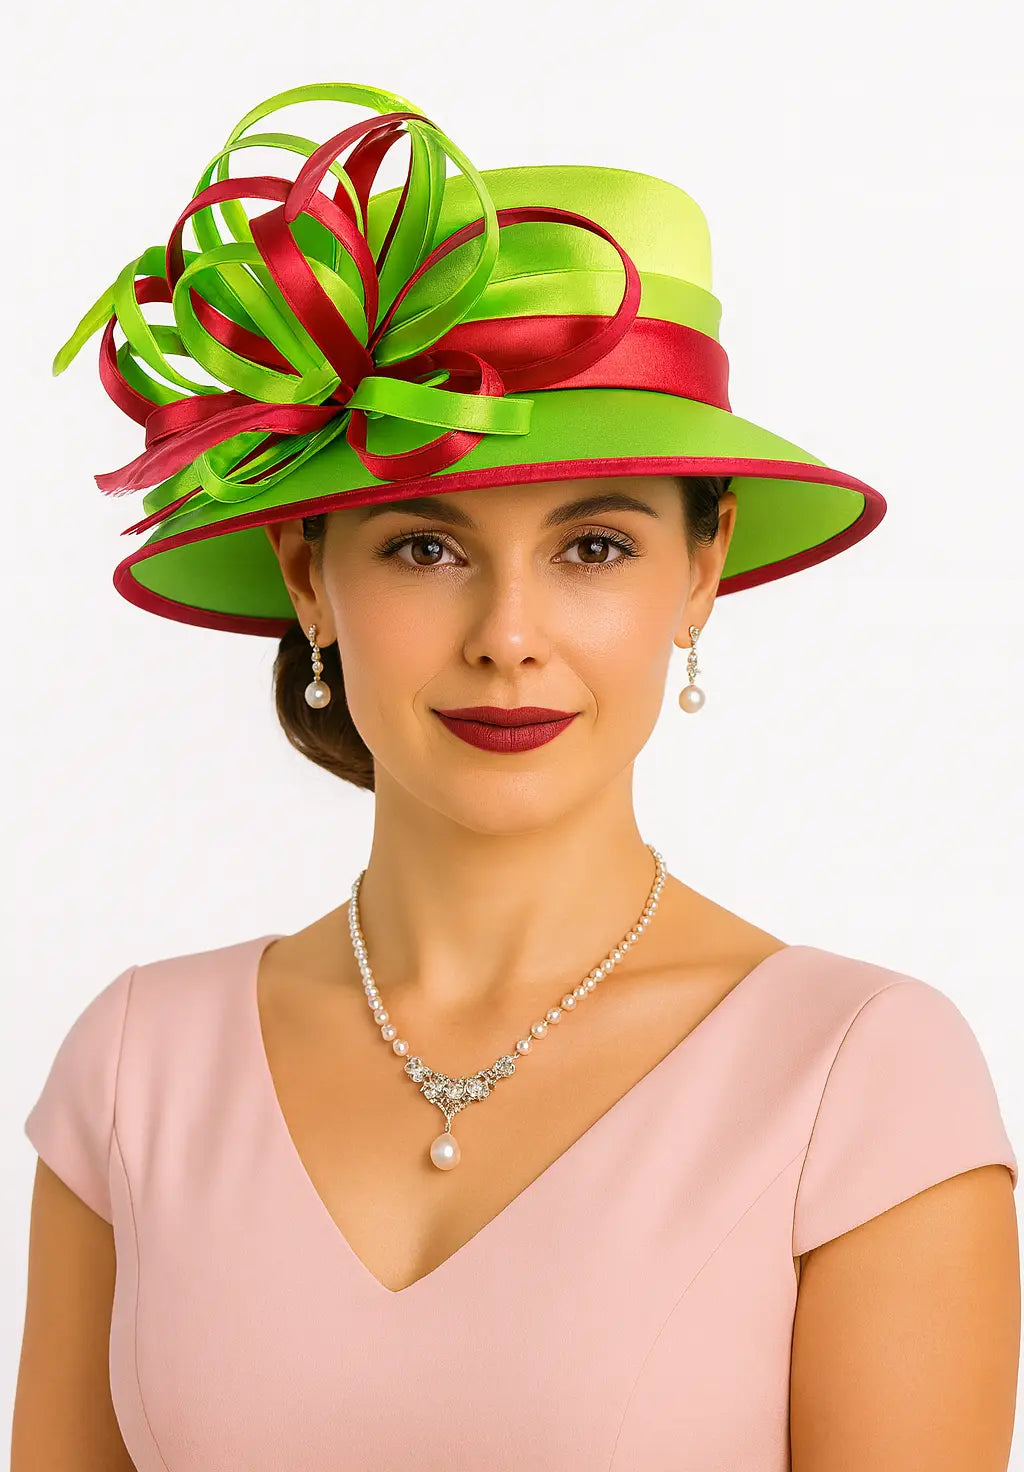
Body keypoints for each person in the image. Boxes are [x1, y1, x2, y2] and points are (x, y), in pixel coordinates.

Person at [14, 81, 1018, 1471]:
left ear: (703, 568)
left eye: (594, 548)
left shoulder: (859, 1079)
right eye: (425, 547)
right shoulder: (138, 1069)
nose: (508, 638)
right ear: (309, 575)